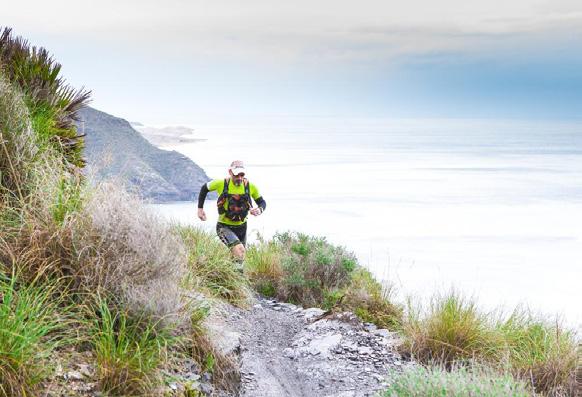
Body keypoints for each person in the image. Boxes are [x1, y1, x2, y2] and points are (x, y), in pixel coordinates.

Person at [197, 160, 266, 266]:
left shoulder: (250, 187)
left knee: (239, 257)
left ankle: (230, 277)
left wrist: (259, 209)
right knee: (240, 251)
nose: (239, 178)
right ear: (230, 172)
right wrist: (200, 209)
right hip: (224, 227)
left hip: (242, 227)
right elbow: (204, 188)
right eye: (236, 175)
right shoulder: (221, 183)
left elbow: (262, 202)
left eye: (241, 175)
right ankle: (238, 279)